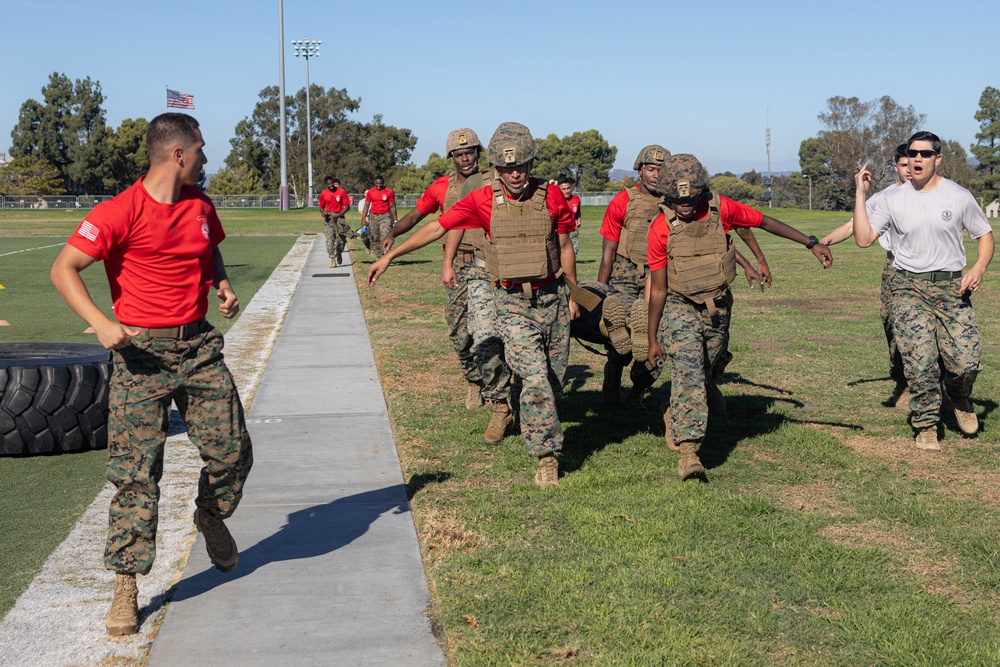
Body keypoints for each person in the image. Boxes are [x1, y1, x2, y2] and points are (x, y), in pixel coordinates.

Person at [49, 113, 253, 636]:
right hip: (141, 356)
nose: (207, 158)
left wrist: (222, 284)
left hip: (199, 346)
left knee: (233, 454)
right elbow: (63, 268)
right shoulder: (119, 210)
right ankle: (126, 583)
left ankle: (210, 515)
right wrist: (101, 323)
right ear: (177, 155)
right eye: (201, 150)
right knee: (137, 475)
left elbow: (210, 249)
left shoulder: (202, 206)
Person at [368, 122, 578, 489]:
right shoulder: (482, 198)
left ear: (531, 164)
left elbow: (563, 247)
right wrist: (391, 255)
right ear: (495, 167)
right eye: (507, 167)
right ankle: (546, 456)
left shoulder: (552, 197)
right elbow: (437, 227)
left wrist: (573, 295)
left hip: (553, 299)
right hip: (510, 300)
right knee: (535, 375)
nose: (515, 173)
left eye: (522, 165)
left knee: (554, 382)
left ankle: (521, 405)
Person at [647, 154, 832, 481]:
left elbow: (763, 222)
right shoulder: (660, 228)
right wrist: (652, 338)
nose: (684, 205)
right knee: (688, 366)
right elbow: (659, 289)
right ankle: (689, 452)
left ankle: (676, 407)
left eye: (690, 198)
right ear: (666, 197)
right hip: (678, 304)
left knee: (706, 367)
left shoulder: (721, 209)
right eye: (677, 199)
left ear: (701, 191)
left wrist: (810, 243)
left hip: (717, 304)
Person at [852, 131, 994, 451]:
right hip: (908, 287)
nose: (917, 159)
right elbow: (863, 238)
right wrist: (861, 194)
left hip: (951, 288)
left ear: (937, 159)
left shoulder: (958, 196)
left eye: (925, 154)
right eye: (913, 153)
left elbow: (984, 235)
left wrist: (979, 268)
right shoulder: (892, 198)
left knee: (966, 362)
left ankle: (958, 397)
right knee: (920, 360)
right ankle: (926, 423)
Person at [379, 128, 514, 443]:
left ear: (478, 153)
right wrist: (392, 233)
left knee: (487, 331)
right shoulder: (441, 186)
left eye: (469, 152)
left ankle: (500, 400)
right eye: (459, 154)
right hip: (456, 266)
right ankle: (473, 380)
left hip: (485, 265)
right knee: (459, 334)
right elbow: (416, 216)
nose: (465, 158)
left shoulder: (493, 182)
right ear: (451, 157)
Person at [821, 143, 913, 408]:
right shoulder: (884, 197)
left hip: (930, 268)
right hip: (896, 269)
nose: (910, 169)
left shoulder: (935, 193)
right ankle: (903, 384)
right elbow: (853, 225)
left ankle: (936, 386)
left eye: (914, 163)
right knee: (892, 326)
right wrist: (824, 241)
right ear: (895, 166)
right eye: (904, 165)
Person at [319, 176, 352, 267]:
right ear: (326, 184)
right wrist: (323, 212)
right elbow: (321, 207)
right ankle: (332, 258)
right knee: (330, 239)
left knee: (341, 240)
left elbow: (347, 206)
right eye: (328, 184)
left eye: (332, 183)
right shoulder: (324, 194)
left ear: (334, 182)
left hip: (340, 218)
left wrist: (338, 214)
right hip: (329, 219)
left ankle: (339, 251)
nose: (331, 185)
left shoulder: (341, 192)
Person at [361, 176, 397, 259]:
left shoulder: (388, 192)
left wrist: (395, 220)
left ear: (383, 183)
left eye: (380, 184)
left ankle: (385, 256)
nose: (378, 185)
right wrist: (363, 220)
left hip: (385, 216)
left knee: (385, 236)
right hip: (373, 216)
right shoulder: (371, 192)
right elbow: (366, 206)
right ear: (374, 183)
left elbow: (392, 207)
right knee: (375, 237)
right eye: (377, 184)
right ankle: (378, 257)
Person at [557, 175, 582, 255]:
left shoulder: (576, 199)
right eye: (563, 189)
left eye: (568, 188)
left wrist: (578, 219)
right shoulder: (555, 200)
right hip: (559, 232)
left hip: (572, 231)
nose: (567, 191)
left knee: (574, 252)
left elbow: (577, 211)